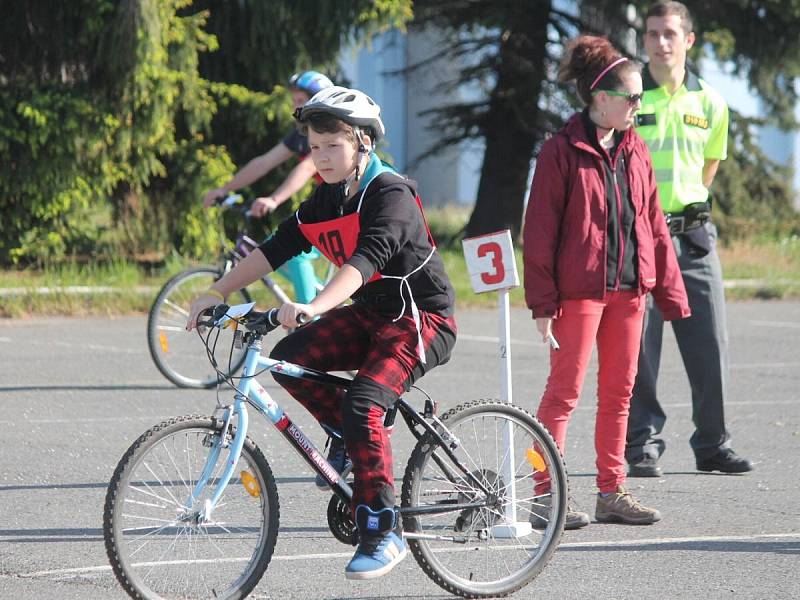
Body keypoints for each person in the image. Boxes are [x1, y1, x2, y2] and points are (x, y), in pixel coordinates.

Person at [187, 86, 457, 579]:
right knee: (291, 358)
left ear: (363, 144)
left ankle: (382, 528)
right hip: (371, 315)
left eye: (333, 146)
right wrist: (218, 290)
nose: (322, 157)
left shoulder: (390, 193)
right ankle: (352, 435)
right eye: (315, 147)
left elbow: (363, 262)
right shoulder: (326, 199)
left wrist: (314, 305)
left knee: (363, 403)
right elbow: (277, 247)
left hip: (420, 320)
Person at [523, 35, 690, 527]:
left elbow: (655, 223)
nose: (639, 104)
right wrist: (542, 302)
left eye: (641, 97)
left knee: (620, 395)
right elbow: (539, 231)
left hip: (629, 293)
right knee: (561, 396)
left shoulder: (636, 149)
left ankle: (611, 491)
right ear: (599, 98)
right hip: (577, 295)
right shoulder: (559, 151)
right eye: (632, 97)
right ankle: (543, 492)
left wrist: (671, 292)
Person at [626, 1, 753, 477]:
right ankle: (641, 445)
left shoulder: (711, 102)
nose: (662, 42)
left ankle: (712, 445)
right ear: (644, 41)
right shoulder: (631, 98)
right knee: (639, 348)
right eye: (654, 33)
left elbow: (708, 167)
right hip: (640, 238)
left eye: (670, 34)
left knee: (710, 345)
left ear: (688, 40)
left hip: (693, 237)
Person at [202, 70, 334, 304]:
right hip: (328, 204)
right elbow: (263, 163)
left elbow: (306, 169)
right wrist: (225, 189)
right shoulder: (301, 134)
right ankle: (318, 298)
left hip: (345, 207)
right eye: (294, 101)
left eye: (300, 101)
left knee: (297, 256)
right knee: (274, 248)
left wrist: (273, 200)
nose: (295, 107)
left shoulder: (328, 133)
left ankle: (308, 320)